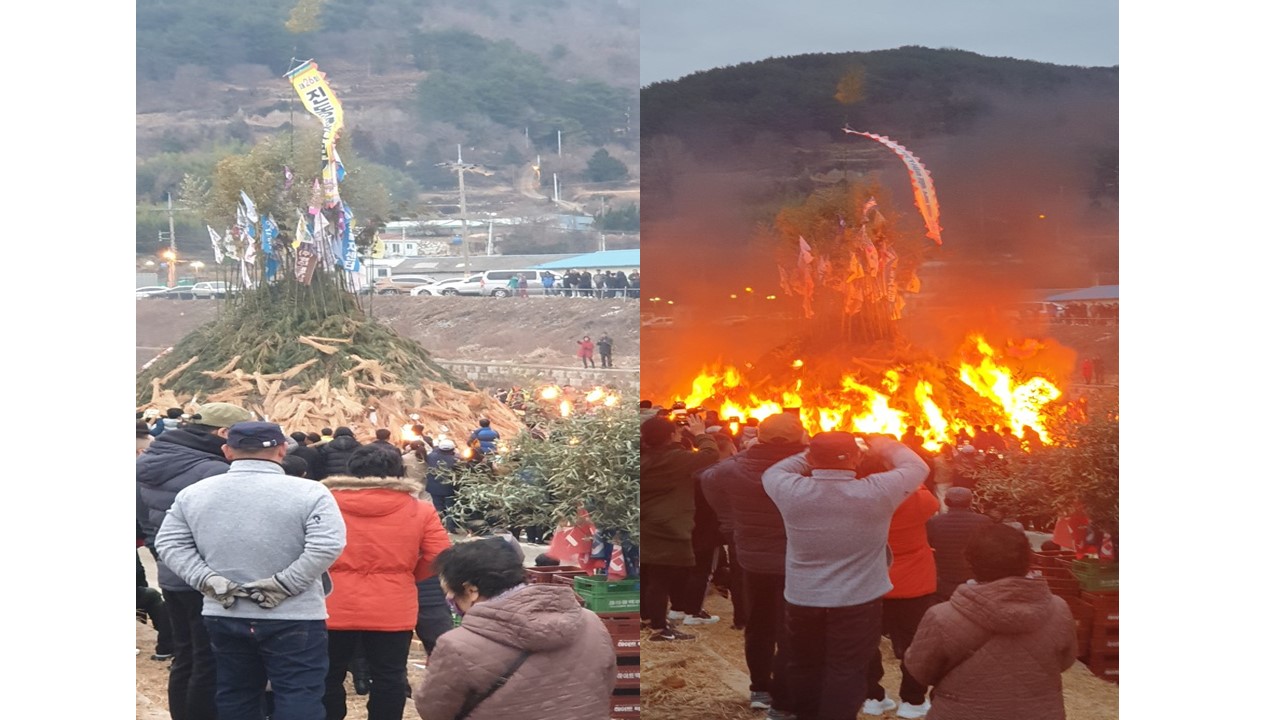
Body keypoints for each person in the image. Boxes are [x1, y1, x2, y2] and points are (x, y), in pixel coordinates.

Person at [155, 421, 347, 720]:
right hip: (295, 615)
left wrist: (207, 579)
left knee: (236, 692)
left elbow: (169, 543)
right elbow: (327, 545)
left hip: (225, 610)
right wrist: (285, 584)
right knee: (299, 693)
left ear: (227, 451)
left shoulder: (194, 494)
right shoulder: (311, 492)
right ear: (282, 450)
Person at [762, 432, 929, 720]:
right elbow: (917, 467)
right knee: (847, 670)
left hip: (804, 597)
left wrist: (812, 455)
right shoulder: (877, 491)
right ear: (856, 458)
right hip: (858, 601)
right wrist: (883, 445)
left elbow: (776, 470)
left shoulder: (789, 489)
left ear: (811, 458)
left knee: (804, 665)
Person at [137, 401, 254, 720]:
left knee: (186, 655)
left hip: (172, 572)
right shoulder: (214, 470)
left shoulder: (152, 459)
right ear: (223, 433)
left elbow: (145, 520)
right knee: (209, 659)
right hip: (207, 575)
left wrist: (165, 555)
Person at [412, 539, 617, 720]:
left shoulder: (456, 645)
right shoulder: (590, 622)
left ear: (471, 590)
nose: (449, 598)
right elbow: (606, 684)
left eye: (450, 592)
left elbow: (434, 710)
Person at [321, 445, 452, 720]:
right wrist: (407, 575)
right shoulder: (420, 510)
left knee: (329, 674)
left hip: (333, 604)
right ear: (398, 471)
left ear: (351, 470)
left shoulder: (325, 503)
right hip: (393, 605)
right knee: (390, 676)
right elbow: (439, 555)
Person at [904, 524, 1078, 720]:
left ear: (970, 562)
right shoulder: (1059, 609)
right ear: (1028, 560)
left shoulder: (941, 616)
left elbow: (920, 671)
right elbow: (1066, 660)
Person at [699, 413, 809, 717]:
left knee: (759, 624)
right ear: (800, 436)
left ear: (759, 436)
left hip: (751, 558)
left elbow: (707, 478)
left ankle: (760, 688)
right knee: (791, 627)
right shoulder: (807, 468)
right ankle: (785, 695)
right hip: (796, 559)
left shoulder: (734, 468)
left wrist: (729, 521)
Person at [640, 414, 721, 641]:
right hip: (668, 527)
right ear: (670, 436)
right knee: (660, 579)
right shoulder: (674, 459)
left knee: (647, 576)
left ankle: (647, 618)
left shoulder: (643, 458)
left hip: (645, 523)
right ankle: (659, 628)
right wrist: (700, 434)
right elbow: (710, 454)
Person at [863, 484, 941, 719]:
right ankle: (913, 700)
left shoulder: (861, 499)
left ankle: (872, 696)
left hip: (871, 579)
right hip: (914, 583)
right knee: (914, 643)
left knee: (866, 641)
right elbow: (931, 500)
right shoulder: (916, 500)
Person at [927, 487, 995, 601]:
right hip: (974, 580)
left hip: (944, 579)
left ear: (946, 502)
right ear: (970, 502)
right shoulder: (984, 521)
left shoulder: (935, 522)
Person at [426, 439, 461, 532]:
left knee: (438, 507)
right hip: (449, 488)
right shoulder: (455, 460)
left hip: (434, 486)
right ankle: (450, 527)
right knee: (450, 507)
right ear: (452, 449)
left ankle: (439, 526)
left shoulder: (431, 456)